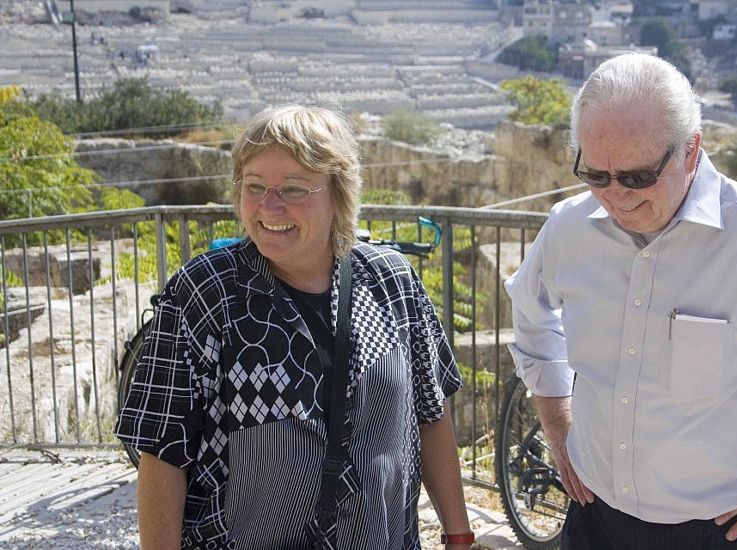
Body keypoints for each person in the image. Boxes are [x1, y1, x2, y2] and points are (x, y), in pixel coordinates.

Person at [505, 53, 737, 550]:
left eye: (637, 177)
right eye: (596, 175)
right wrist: (557, 424)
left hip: (727, 533)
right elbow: (531, 316)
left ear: (691, 150)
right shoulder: (569, 229)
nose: (616, 197)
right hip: (594, 520)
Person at [115, 104, 474, 549]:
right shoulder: (208, 295)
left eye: (293, 189)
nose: (270, 205)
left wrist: (459, 534)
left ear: (338, 194)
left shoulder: (391, 282)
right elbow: (163, 452)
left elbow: (430, 414)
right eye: (255, 186)